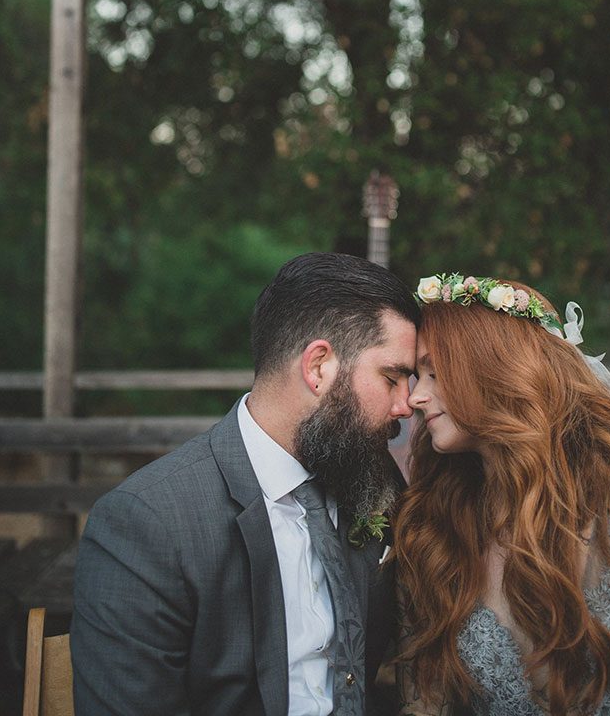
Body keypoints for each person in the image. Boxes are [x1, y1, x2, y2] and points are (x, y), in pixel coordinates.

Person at [70, 251, 419, 716]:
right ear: (319, 367)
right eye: (391, 377)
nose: (406, 405)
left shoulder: (372, 480)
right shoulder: (147, 524)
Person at [392, 273, 610, 716]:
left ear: (497, 372)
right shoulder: (434, 521)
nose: (416, 396)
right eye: (417, 375)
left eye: (435, 373)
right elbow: (421, 706)